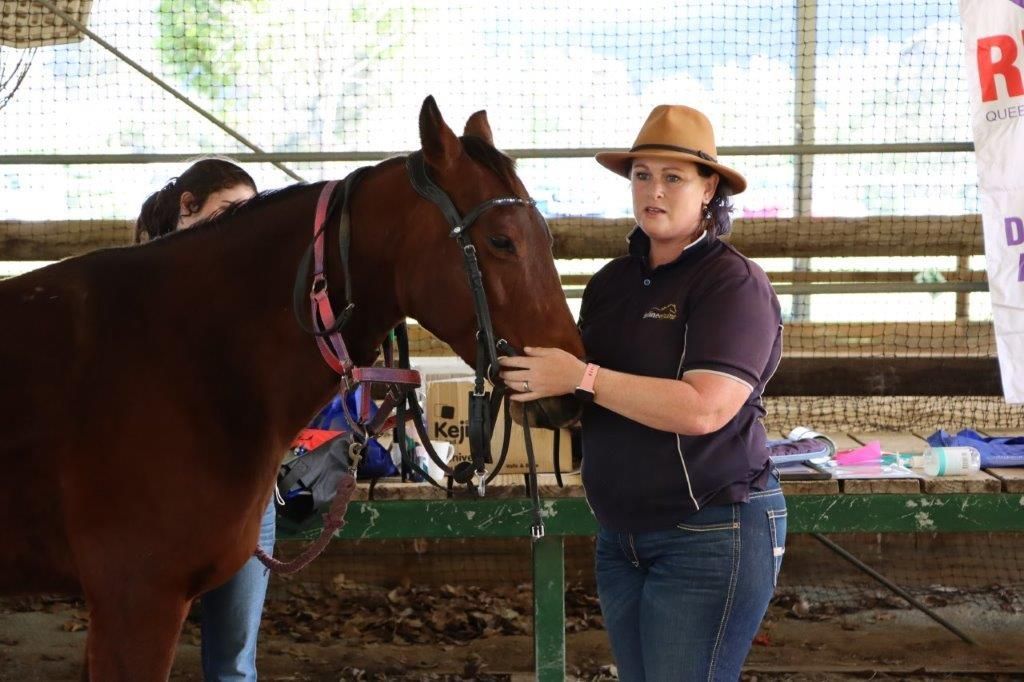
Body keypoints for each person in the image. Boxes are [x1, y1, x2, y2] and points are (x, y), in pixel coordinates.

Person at [498, 105, 786, 681]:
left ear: (709, 189)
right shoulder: (609, 285)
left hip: (712, 527)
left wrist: (582, 377)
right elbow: (591, 405)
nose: (654, 190)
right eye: (642, 175)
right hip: (620, 536)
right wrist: (527, 384)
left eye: (673, 177)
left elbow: (705, 409)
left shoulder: (732, 283)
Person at [136, 157, 273, 681]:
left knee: (235, 664)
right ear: (188, 207)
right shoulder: (133, 286)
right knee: (139, 650)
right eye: (230, 211)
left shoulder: (252, 291)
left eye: (250, 214)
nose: (242, 225)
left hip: (246, 488)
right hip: (152, 493)